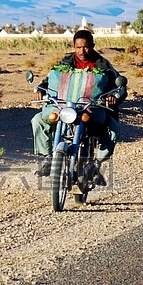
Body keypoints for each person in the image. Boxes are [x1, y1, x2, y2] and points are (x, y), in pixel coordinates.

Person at [31, 29, 124, 182]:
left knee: (113, 129)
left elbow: (119, 87)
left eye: (86, 47)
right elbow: (49, 80)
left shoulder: (103, 65)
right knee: (38, 120)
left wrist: (114, 96)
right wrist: (40, 90)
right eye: (78, 47)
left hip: (92, 108)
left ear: (92, 46)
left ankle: (96, 164)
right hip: (65, 107)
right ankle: (47, 157)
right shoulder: (65, 63)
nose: (82, 51)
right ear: (73, 46)